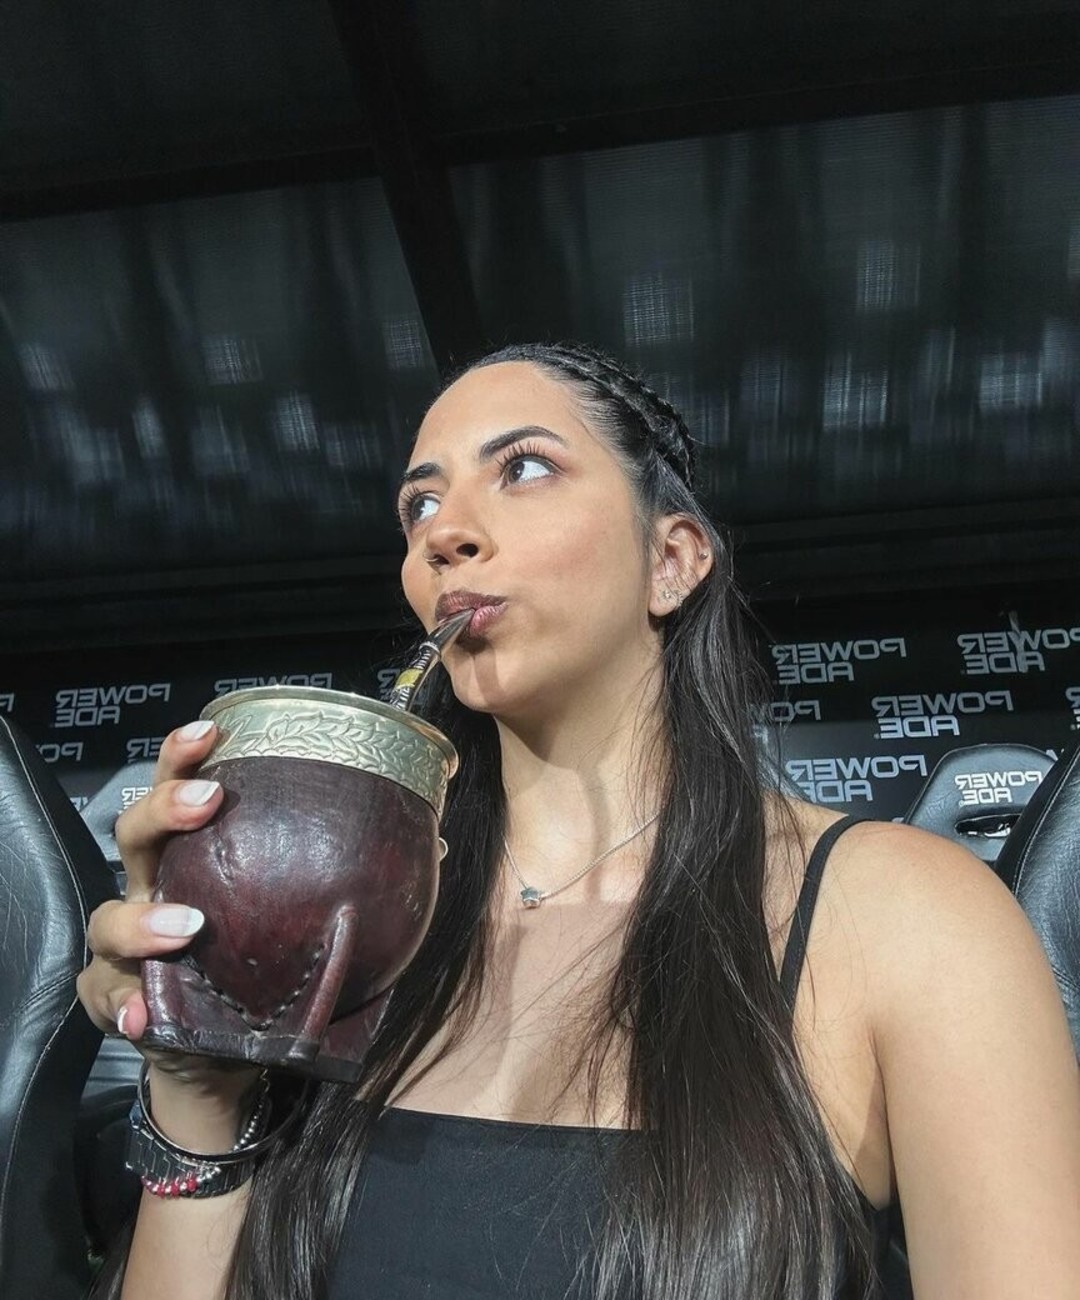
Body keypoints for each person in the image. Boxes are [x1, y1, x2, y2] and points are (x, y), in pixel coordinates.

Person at [78, 342, 1080, 1299]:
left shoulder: (910, 918)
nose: (443, 532)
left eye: (523, 468)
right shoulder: (360, 926)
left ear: (672, 558)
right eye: (420, 503)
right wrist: (197, 1084)